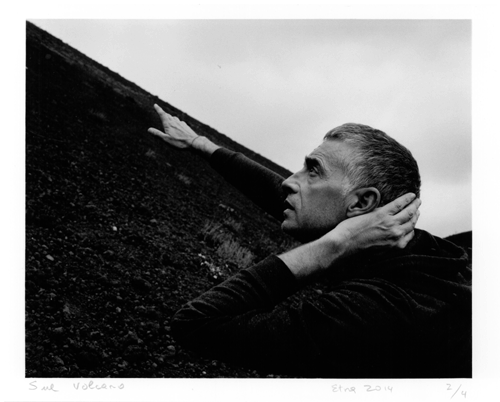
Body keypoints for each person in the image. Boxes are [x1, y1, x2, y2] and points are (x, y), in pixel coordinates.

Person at [148, 104, 471, 378]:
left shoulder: (381, 308)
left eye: (313, 171)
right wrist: (201, 144)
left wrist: (332, 246)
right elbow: (286, 198)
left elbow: (197, 324)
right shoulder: (410, 248)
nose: (290, 181)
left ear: (361, 205)